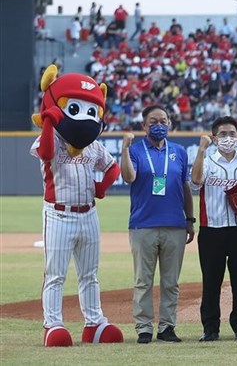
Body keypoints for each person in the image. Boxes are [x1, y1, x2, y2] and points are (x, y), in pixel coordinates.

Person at [31, 67, 124, 346]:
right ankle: (53, 324)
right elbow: (46, 153)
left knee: (90, 275)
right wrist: (49, 120)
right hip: (58, 213)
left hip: (88, 213)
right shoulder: (51, 140)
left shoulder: (92, 145)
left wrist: (101, 188)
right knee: (55, 274)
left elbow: (113, 168)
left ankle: (94, 324)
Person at [120, 104, 195, 344]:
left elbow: (185, 187)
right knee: (143, 281)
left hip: (175, 224)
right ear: (144, 125)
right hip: (143, 225)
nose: (159, 125)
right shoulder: (135, 150)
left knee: (171, 282)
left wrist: (190, 220)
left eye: (163, 120)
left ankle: (167, 327)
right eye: (153, 121)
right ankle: (143, 328)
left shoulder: (179, 152)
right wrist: (123, 149)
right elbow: (129, 177)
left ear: (170, 123)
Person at [191, 116, 237, 342]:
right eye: (222, 134)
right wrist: (201, 151)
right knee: (211, 281)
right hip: (212, 229)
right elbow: (194, 182)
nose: (228, 138)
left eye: (232, 134)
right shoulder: (207, 161)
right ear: (213, 138)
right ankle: (210, 328)